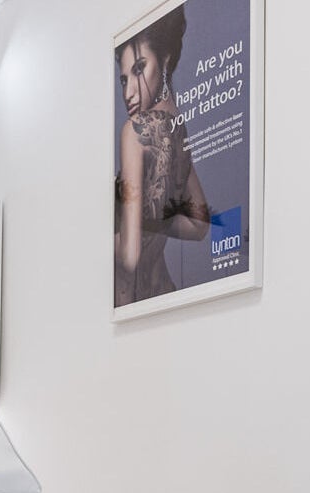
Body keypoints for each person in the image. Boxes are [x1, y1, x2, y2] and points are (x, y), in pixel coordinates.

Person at [115, 9, 210, 307]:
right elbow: (199, 226)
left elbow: (129, 257)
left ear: (165, 60)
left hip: (131, 305)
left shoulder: (134, 132)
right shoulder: (175, 128)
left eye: (140, 69)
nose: (129, 92)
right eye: (123, 79)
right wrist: (150, 219)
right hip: (161, 294)